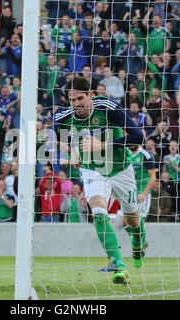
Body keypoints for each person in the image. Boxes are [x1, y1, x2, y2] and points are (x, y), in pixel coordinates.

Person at [53, 77, 145, 284]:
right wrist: (74, 150)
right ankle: (119, 266)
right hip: (93, 170)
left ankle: (138, 241)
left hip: (120, 168)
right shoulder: (63, 115)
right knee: (99, 212)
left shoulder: (108, 107)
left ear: (90, 96)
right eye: (72, 99)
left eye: (80, 98)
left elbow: (137, 137)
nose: (76, 104)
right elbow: (62, 135)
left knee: (133, 220)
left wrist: (101, 146)